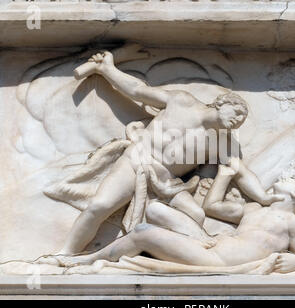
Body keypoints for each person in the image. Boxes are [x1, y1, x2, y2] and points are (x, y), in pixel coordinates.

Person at [54, 51, 283, 255]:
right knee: (100, 206)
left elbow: (240, 172)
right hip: (137, 162)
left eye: (240, 121)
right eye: (237, 114)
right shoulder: (181, 101)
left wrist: (262, 197)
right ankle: (65, 254)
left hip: (166, 181)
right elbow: (137, 90)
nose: (237, 121)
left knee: (196, 215)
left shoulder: (221, 143)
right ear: (222, 103)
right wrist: (108, 69)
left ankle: (164, 250)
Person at [52, 160, 295, 274]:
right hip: (208, 243)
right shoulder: (254, 209)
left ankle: (86, 260)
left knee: (143, 232)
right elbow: (212, 207)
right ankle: (197, 237)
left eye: (293, 181)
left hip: (218, 260)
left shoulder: (293, 222)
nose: (287, 178)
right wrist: (225, 174)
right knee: (154, 209)